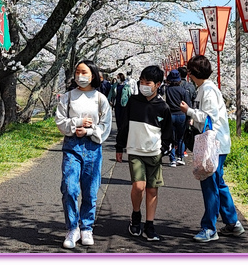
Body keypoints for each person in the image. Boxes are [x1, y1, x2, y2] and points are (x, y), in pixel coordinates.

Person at [179, 55, 246, 242]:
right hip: (219, 143)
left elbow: (209, 117)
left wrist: (189, 111)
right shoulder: (206, 88)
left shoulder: (207, 90)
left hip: (213, 144)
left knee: (210, 185)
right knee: (219, 183)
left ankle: (209, 228)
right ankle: (232, 223)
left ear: (192, 73)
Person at [56, 60, 112, 249]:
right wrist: (77, 123)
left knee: (90, 189)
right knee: (70, 187)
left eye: (84, 72)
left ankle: (86, 227)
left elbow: (105, 127)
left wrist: (88, 131)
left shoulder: (100, 99)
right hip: (72, 146)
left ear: (93, 75)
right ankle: (72, 227)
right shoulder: (68, 97)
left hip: (93, 147)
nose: (80, 75)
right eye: (77, 72)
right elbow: (60, 122)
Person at [117, 65, 173, 242]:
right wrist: (119, 146)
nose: (143, 85)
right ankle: (136, 215)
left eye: (147, 82)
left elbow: (168, 133)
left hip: (154, 153)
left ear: (157, 84)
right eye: (141, 82)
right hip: (135, 151)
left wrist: (163, 149)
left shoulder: (163, 107)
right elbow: (124, 124)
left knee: (152, 189)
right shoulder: (133, 101)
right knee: (139, 186)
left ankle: (150, 224)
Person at [163, 70, 190, 167]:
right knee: (181, 138)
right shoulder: (183, 91)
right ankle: (181, 157)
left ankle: (172, 159)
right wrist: (189, 117)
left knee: (171, 138)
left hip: (170, 115)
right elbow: (188, 105)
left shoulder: (167, 90)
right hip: (181, 115)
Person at [107, 73, 131, 161]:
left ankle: (122, 131)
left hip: (124, 105)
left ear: (122, 78)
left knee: (124, 121)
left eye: (118, 78)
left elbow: (130, 95)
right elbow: (110, 94)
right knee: (118, 120)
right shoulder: (114, 86)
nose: (117, 79)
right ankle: (119, 131)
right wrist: (109, 100)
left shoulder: (126, 86)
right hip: (117, 105)